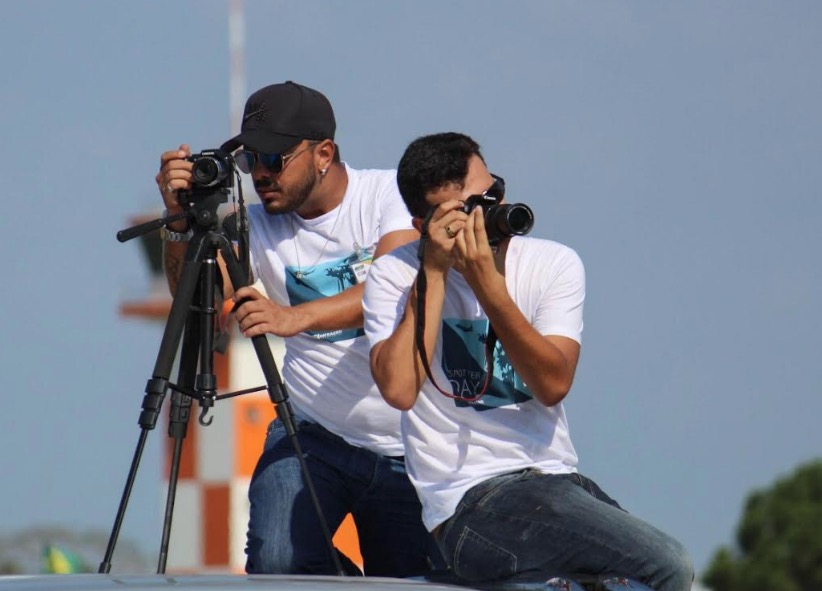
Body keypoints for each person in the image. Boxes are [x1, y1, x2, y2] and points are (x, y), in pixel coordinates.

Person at [363, 132, 694, 591]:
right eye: (471, 209)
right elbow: (399, 390)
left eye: (493, 193)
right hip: (466, 501)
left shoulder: (554, 263)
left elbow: (553, 383)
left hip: (555, 479)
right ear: (425, 224)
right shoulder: (395, 274)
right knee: (668, 563)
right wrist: (434, 273)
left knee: (634, 580)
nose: (492, 213)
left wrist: (490, 289)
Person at [154, 81, 438, 577]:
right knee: (278, 563)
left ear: (323, 152)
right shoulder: (253, 224)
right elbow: (196, 295)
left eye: (273, 158)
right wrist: (178, 221)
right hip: (311, 432)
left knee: (407, 581)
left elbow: (396, 286)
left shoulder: (389, 194)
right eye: (248, 162)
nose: (259, 174)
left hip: (407, 446)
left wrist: (294, 317)